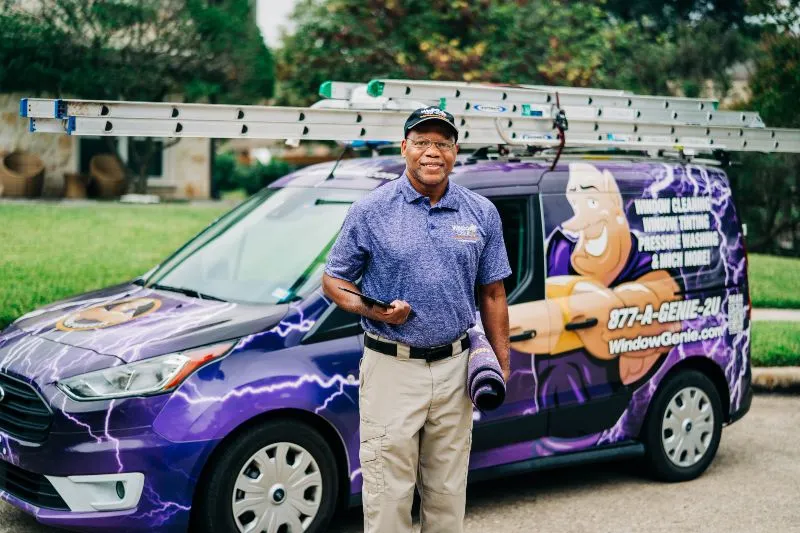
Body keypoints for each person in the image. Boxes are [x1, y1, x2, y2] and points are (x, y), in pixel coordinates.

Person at [322, 107, 511, 533]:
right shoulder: (371, 211)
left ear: (455, 152)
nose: (432, 152)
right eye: (422, 142)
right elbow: (333, 281)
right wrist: (373, 309)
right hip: (392, 368)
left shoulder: (480, 213)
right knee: (389, 498)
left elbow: (494, 292)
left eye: (442, 143)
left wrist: (502, 363)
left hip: (455, 369)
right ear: (404, 147)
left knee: (447, 494)